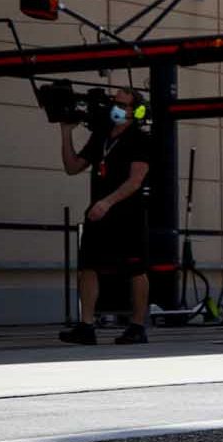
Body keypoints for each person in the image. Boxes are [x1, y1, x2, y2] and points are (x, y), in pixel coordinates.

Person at [58, 88, 152, 344]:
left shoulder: (140, 140)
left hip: (126, 214)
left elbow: (135, 181)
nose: (117, 108)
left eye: (122, 104)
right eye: (115, 103)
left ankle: (137, 325)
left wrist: (108, 202)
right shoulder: (101, 136)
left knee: (135, 269)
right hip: (98, 213)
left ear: (137, 111)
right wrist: (66, 133)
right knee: (88, 267)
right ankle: (86, 326)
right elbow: (72, 167)